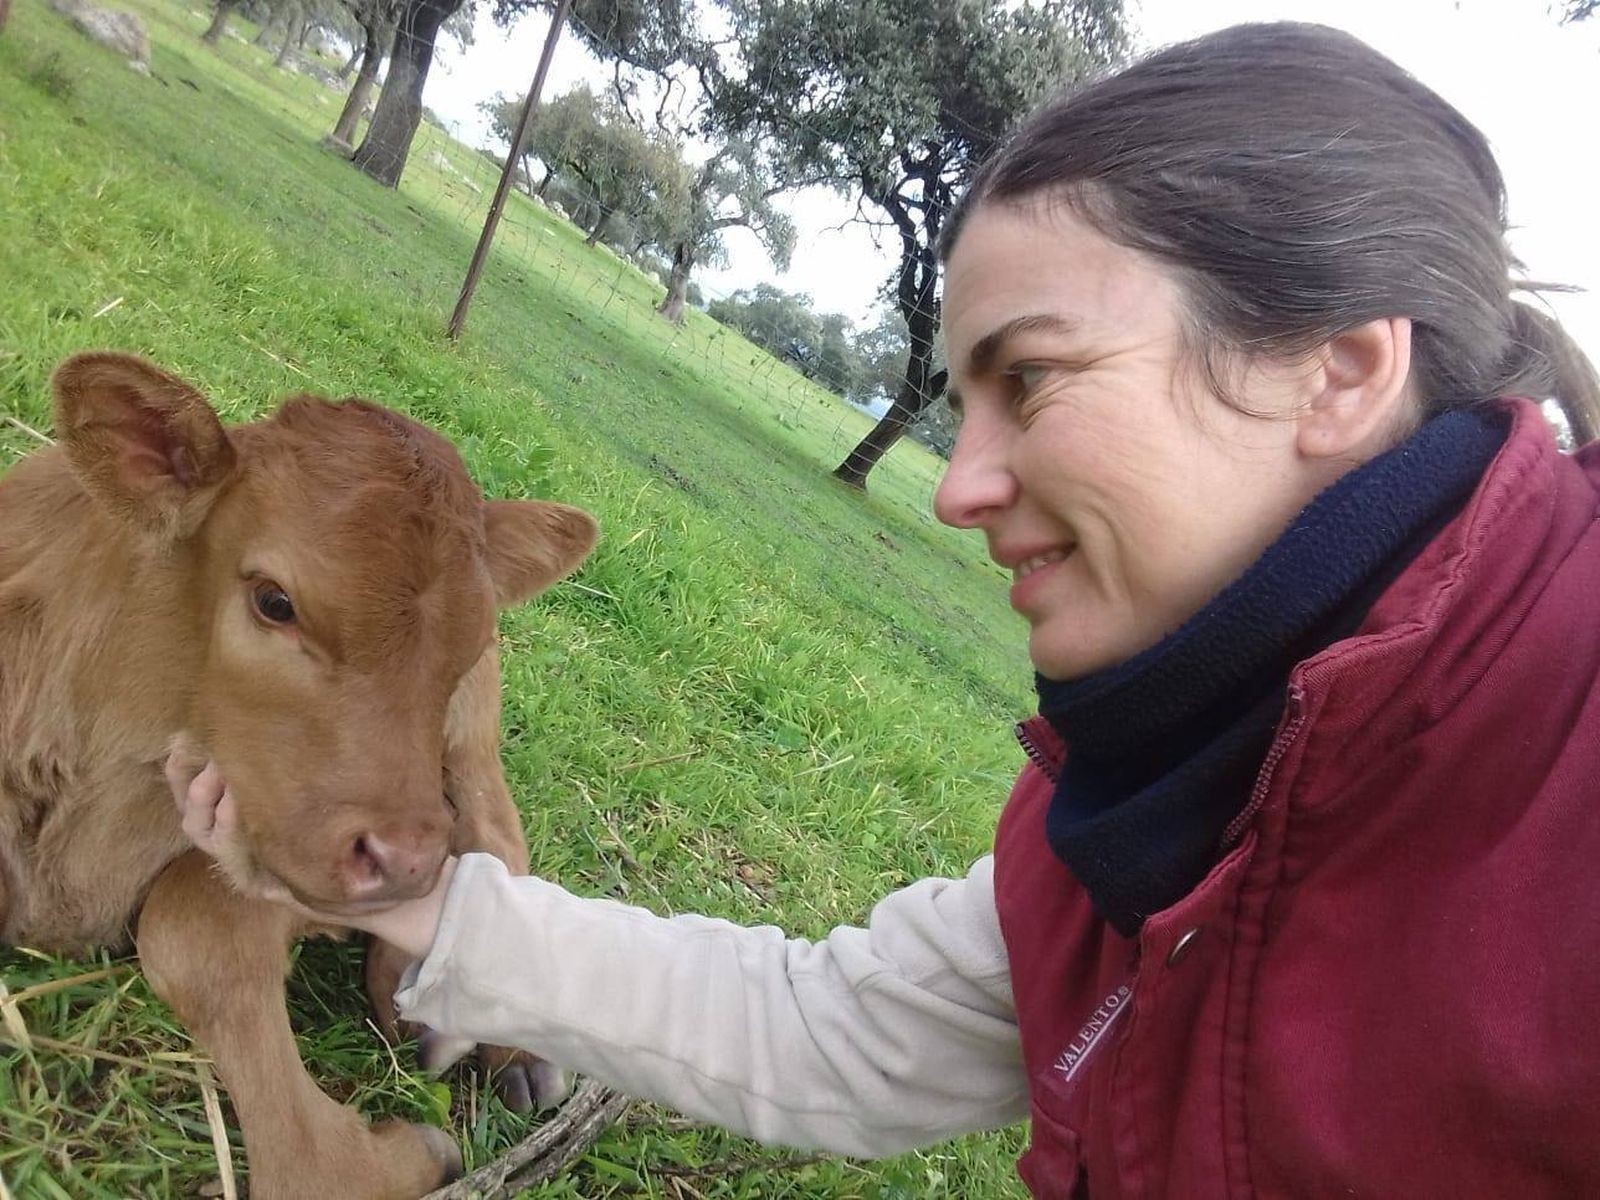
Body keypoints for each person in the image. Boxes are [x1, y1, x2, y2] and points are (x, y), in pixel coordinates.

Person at [170, 21, 1600, 1198]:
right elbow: (832, 1031)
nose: (957, 487)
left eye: (1032, 378)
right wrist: (417, 898)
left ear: (1336, 373)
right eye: (961, 399)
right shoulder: (1144, 801)